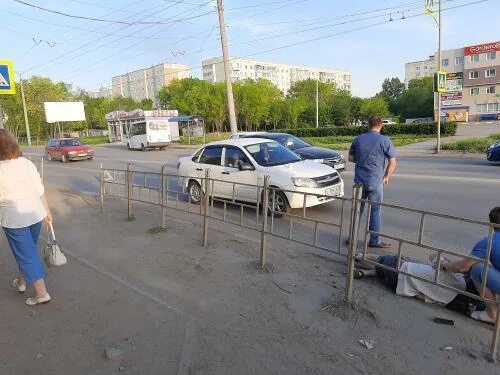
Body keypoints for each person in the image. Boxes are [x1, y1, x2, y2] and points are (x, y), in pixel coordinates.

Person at [0, 129, 52, 305]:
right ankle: (21, 283)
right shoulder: (26, 163)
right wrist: (47, 212)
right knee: (27, 251)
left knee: (27, 254)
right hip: (36, 214)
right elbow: (40, 189)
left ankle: (42, 294)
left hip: (15, 219)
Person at [354, 253, 486, 315]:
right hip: (395, 285)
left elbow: (433, 256)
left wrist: (446, 263)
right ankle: (365, 273)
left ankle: (363, 255)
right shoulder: (448, 301)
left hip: (397, 265)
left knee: (389, 259)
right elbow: (420, 296)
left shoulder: (455, 276)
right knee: (386, 273)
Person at [443, 207, 500, 324]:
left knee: (477, 268)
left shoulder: (490, 241)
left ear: (492, 224)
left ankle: (492, 314)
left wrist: (445, 265)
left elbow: (462, 267)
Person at [348, 116, 397, 248]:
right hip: (375, 182)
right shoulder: (384, 140)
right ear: (381, 125)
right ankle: (374, 241)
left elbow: (351, 158)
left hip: (359, 182)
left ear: (368, 125)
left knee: (357, 210)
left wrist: (362, 160)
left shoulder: (358, 139)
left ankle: (351, 239)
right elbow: (392, 161)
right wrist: (386, 177)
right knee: (375, 211)